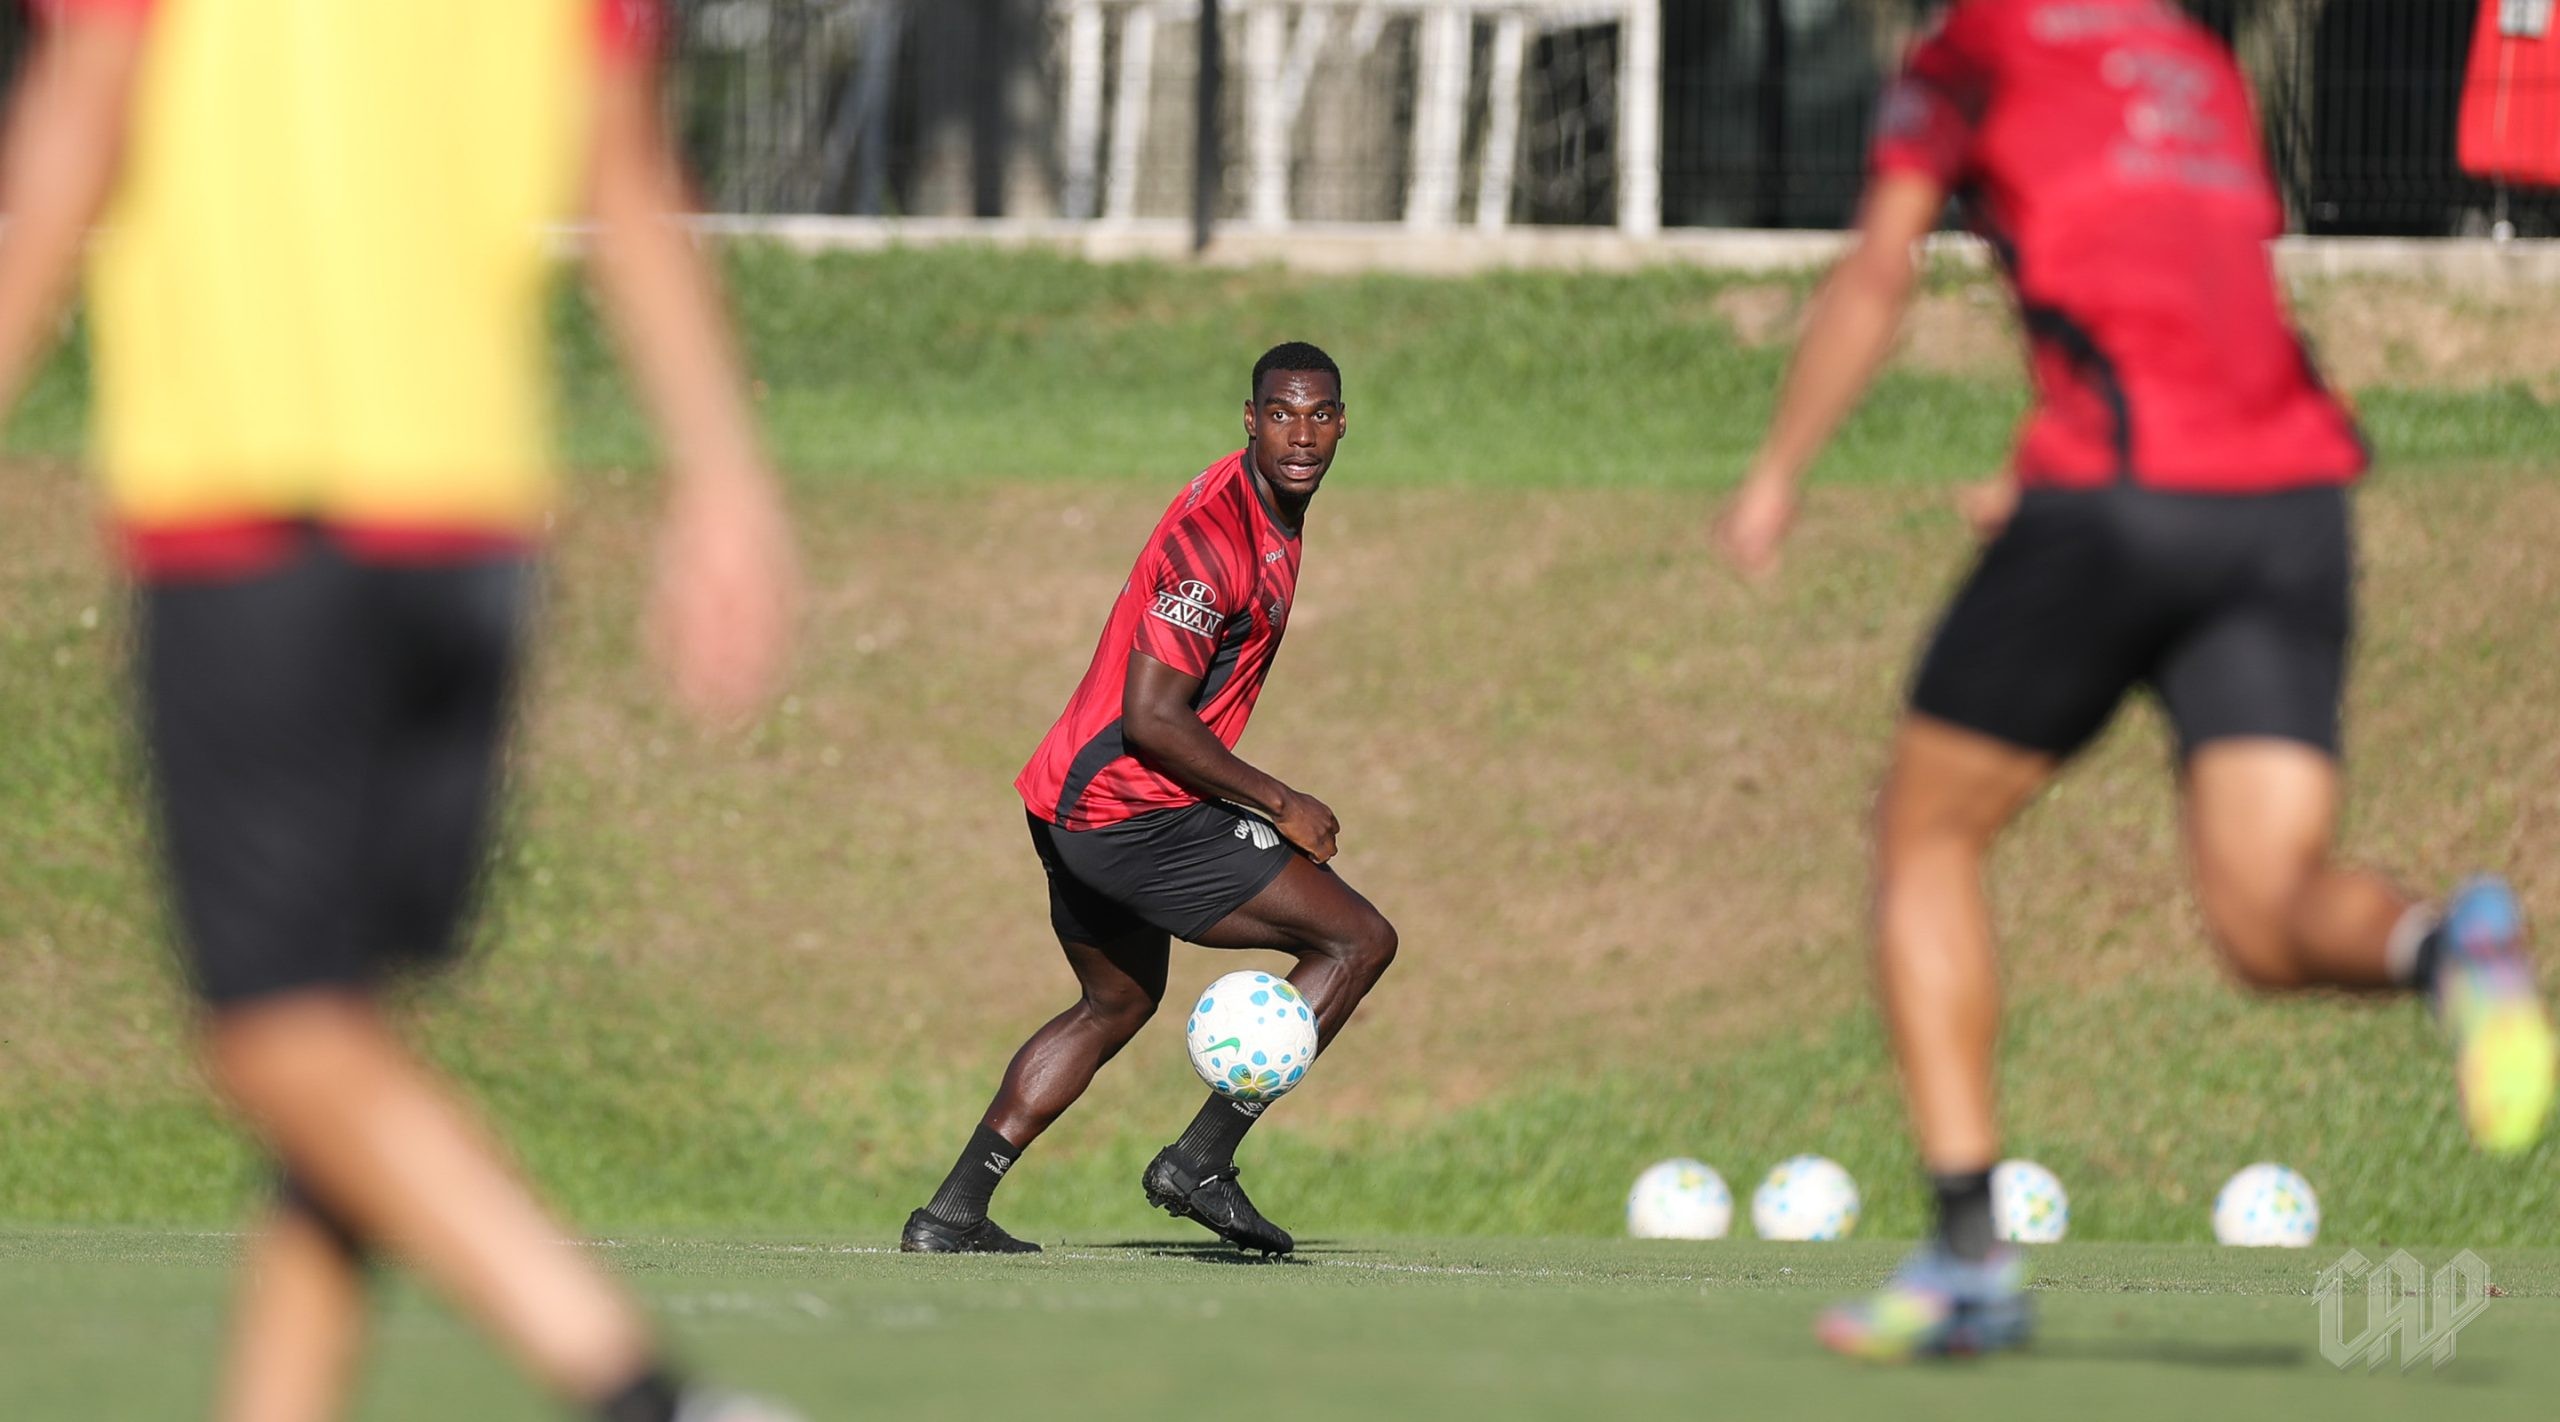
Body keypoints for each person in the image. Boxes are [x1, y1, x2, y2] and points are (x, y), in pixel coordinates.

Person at [1711, 0, 2556, 1361]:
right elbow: (2190, 285)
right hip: (2288, 503)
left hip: (2123, 494)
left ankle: (1970, 1253)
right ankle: (2447, 945)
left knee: (1925, 833)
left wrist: (1774, 476)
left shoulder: (1968, 54)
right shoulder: (2195, 62)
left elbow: (1881, 272)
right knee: (2267, 920)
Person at [0, 2, 800, 1417]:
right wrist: (721, 475)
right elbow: (618, 155)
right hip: (473, 527)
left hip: (257, 500)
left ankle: (640, 1390)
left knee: (277, 1031)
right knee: (342, 1043)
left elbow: (81, 111)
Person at [902, 343, 1397, 1259]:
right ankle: (1202, 1161)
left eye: (1320, 414)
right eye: (1281, 414)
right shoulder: (1216, 544)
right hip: (1131, 810)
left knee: (1114, 1003)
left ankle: (952, 1213)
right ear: (1248, 419)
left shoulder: (1259, 501)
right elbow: (1152, 720)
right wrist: (1281, 800)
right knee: (1357, 940)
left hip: (1069, 801)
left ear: (1342, 421)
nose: (1302, 434)